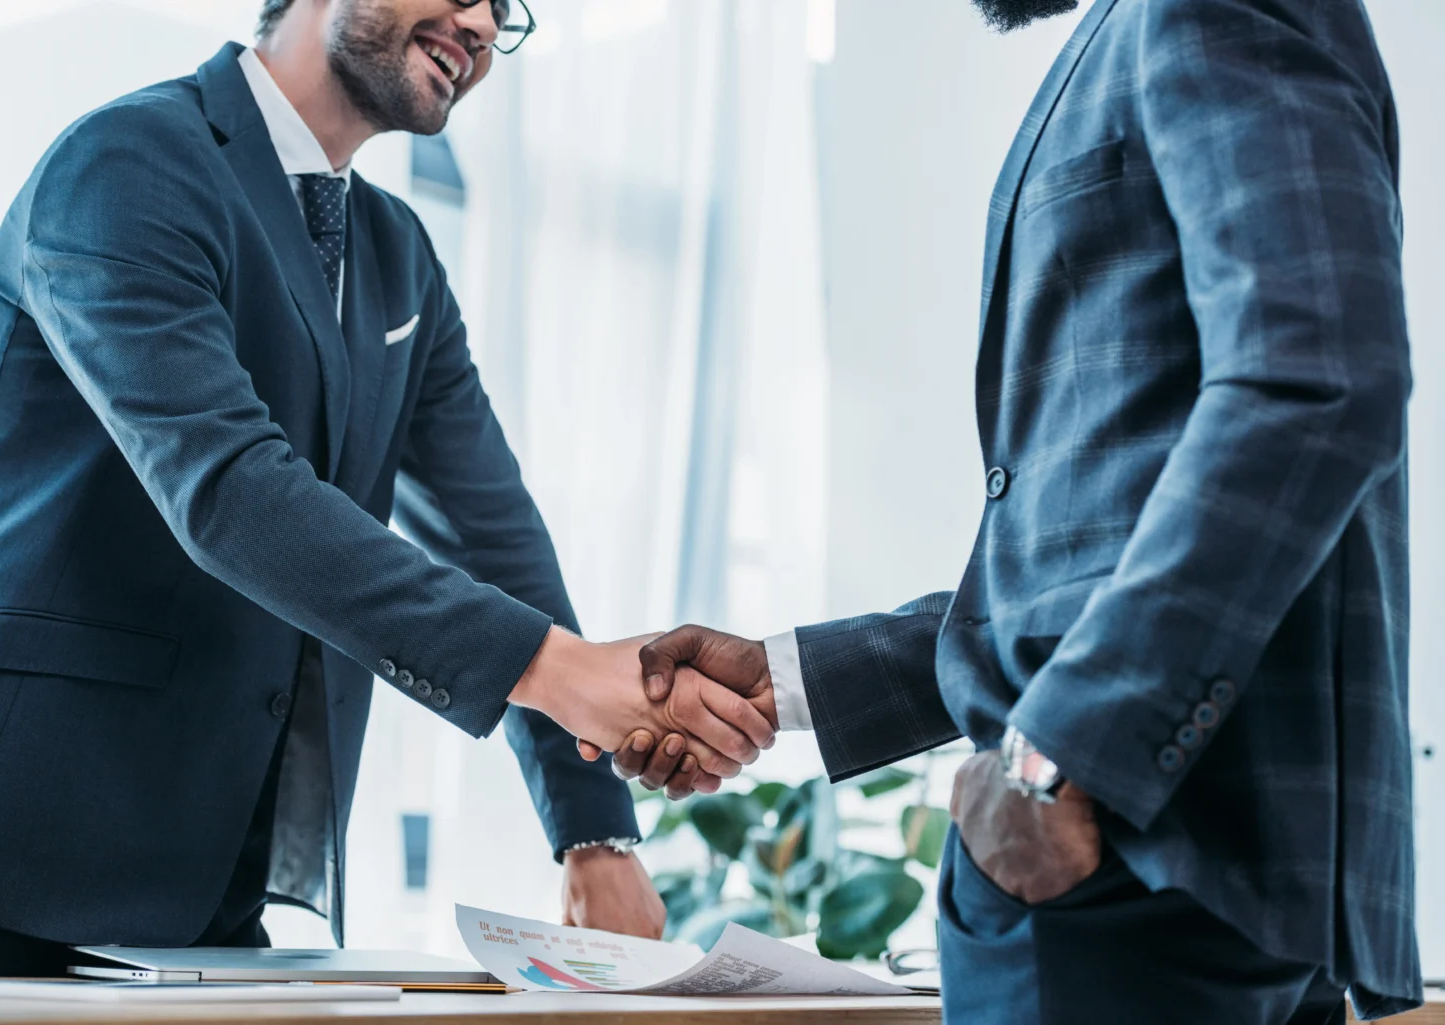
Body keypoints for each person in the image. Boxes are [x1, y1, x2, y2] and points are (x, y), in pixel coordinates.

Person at [0, 0, 771, 975]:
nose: (484, 24)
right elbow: (231, 491)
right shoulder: (125, 163)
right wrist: (564, 671)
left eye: (506, 9)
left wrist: (594, 832)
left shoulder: (398, 253)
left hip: (205, 877)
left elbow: (493, 531)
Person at [602, 0, 1419, 1021]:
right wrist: (789, 677)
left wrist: (1051, 759)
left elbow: (1317, 381)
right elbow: (1093, 560)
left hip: (1123, 854)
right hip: (1182, 868)